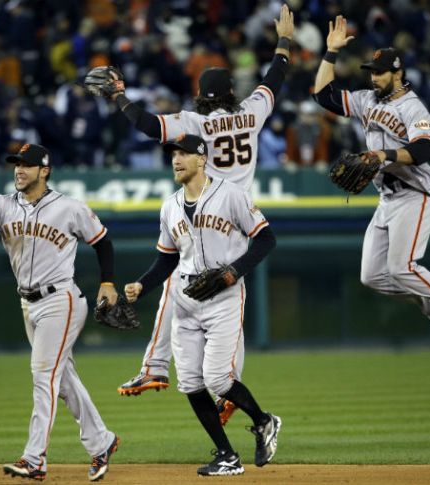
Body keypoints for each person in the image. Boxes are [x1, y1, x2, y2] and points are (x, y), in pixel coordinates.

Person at [105, 4, 295, 424]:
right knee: (226, 296)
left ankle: (155, 368)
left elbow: (147, 125)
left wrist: (118, 97)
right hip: (240, 217)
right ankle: (223, 386)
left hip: (208, 209)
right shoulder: (250, 114)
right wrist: (284, 42)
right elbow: (274, 79)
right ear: (230, 93)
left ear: (200, 96)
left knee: (182, 282)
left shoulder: (194, 125)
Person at [0, 143, 121, 481]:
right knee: (63, 380)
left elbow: (103, 241)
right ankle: (103, 442)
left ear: (45, 170)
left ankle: (34, 459)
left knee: (43, 376)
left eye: (27, 165)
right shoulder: (2, 204)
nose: (19, 170)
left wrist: (108, 283)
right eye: (16, 164)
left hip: (61, 300)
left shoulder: (69, 208)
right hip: (28, 303)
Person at [312, 16, 430, 355]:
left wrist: (382, 154)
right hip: (386, 200)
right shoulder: (367, 100)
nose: (374, 78)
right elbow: (323, 96)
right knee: (373, 276)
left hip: (416, 195)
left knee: (403, 269)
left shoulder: (412, 107)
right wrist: (329, 53)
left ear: (397, 73)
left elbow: (424, 149)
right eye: (371, 72)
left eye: (380, 72)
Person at [124, 134, 280, 476]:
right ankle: (227, 455)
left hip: (224, 297)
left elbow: (266, 239)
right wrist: (141, 286)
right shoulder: (169, 206)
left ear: (202, 159)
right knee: (191, 383)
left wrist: (232, 273)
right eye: (172, 155)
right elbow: (166, 260)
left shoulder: (231, 195)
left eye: (183, 154)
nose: (176, 160)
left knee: (218, 379)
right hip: (186, 299)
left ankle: (264, 421)